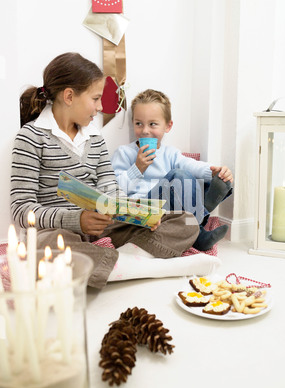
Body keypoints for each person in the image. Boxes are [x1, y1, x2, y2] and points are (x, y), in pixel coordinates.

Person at [11, 53, 220, 291]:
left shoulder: (95, 138)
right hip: (57, 231)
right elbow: (21, 209)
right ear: (69, 96)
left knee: (186, 221)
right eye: (96, 98)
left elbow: (111, 187)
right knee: (43, 252)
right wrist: (75, 220)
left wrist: (136, 214)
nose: (100, 108)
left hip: (101, 225)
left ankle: (119, 265)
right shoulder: (31, 137)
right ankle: (152, 267)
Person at [112, 89, 233, 251]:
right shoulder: (124, 153)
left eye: (152, 124)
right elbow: (116, 190)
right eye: (138, 123)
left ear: (167, 126)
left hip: (169, 211)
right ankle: (199, 229)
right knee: (179, 176)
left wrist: (212, 171)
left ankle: (198, 219)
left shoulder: (170, 153)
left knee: (191, 180)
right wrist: (138, 168)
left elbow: (190, 165)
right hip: (141, 209)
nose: (145, 130)